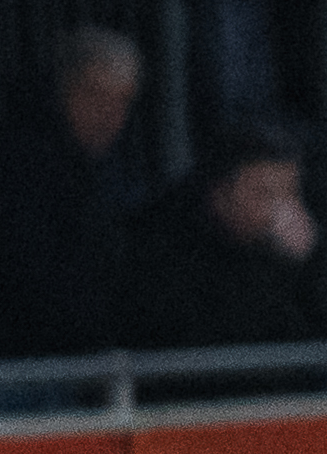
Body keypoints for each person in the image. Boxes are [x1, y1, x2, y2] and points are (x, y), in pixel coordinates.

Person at [0, 25, 142, 365]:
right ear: (63, 88)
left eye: (122, 101)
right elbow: (28, 278)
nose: (110, 116)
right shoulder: (15, 162)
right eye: (95, 95)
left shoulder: (102, 170)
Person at [121, 120, 326, 354]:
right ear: (220, 193)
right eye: (264, 194)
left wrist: (307, 263)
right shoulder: (161, 242)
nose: (281, 210)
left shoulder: (298, 245)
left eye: (289, 194)